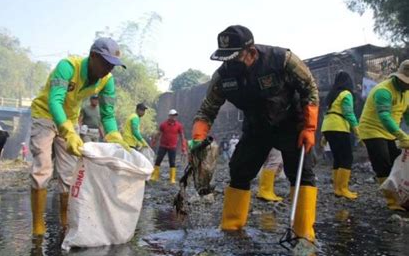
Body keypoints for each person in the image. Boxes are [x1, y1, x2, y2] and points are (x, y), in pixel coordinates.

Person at [190, 25, 319, 241]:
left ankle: (303, 233)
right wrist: (198, 139)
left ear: (251, 53)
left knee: (301, 173)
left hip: (290, 122)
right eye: (225, 59)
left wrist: (309, 127)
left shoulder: (282, 59)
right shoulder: (222, 77)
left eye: (234, 58)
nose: (229, 64)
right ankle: (232, 228)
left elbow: (309, 87)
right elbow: (207, 109)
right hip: (256, 126)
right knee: (239, 170)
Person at [29, 37, 128, 236]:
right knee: (43, 169)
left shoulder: (106, 81)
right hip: (45, 116)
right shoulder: (67, 67)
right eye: (106, 63)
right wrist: (68, 132)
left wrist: (115, 137)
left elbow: (107, 115)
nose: (109, 69)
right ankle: (38, 224)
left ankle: (65, 221)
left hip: (71, 120)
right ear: (93, 56)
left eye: (113, 65)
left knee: (69, 174)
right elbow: (55, 101)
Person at [359, 59, 409, 211]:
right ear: (399, 78)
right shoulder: (384, 91)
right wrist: (401, 135)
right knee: (383, 163)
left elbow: (407, 115)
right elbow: (385, 117)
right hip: (372, 130)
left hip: (389, 132)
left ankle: (401, 196)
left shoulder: (407, 93)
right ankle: (392, 201)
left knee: (396, 162)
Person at [321, 71, 360, 199]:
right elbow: (348, 112)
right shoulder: (346, 94)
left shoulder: (332, 95)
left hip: (328, 127)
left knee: (337, 158)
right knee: (347, 157)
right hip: (339, 127)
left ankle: (337, 189)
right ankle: (343, 189)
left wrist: (324, 135)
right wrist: (356, 129)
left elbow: (328, 113)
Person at [151, 109, 187, 184]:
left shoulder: (179, 126)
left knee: (172, 162)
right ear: (169, 116)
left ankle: (172, 178)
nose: (174, 117)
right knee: (158, 160)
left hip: (172, 147)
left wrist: (183, 148)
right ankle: (155, 176)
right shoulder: (163, 124)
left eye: (175, 115)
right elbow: (158, 134)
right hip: (163, 146)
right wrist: (154, 142)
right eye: (173, 115)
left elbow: (182, 137)